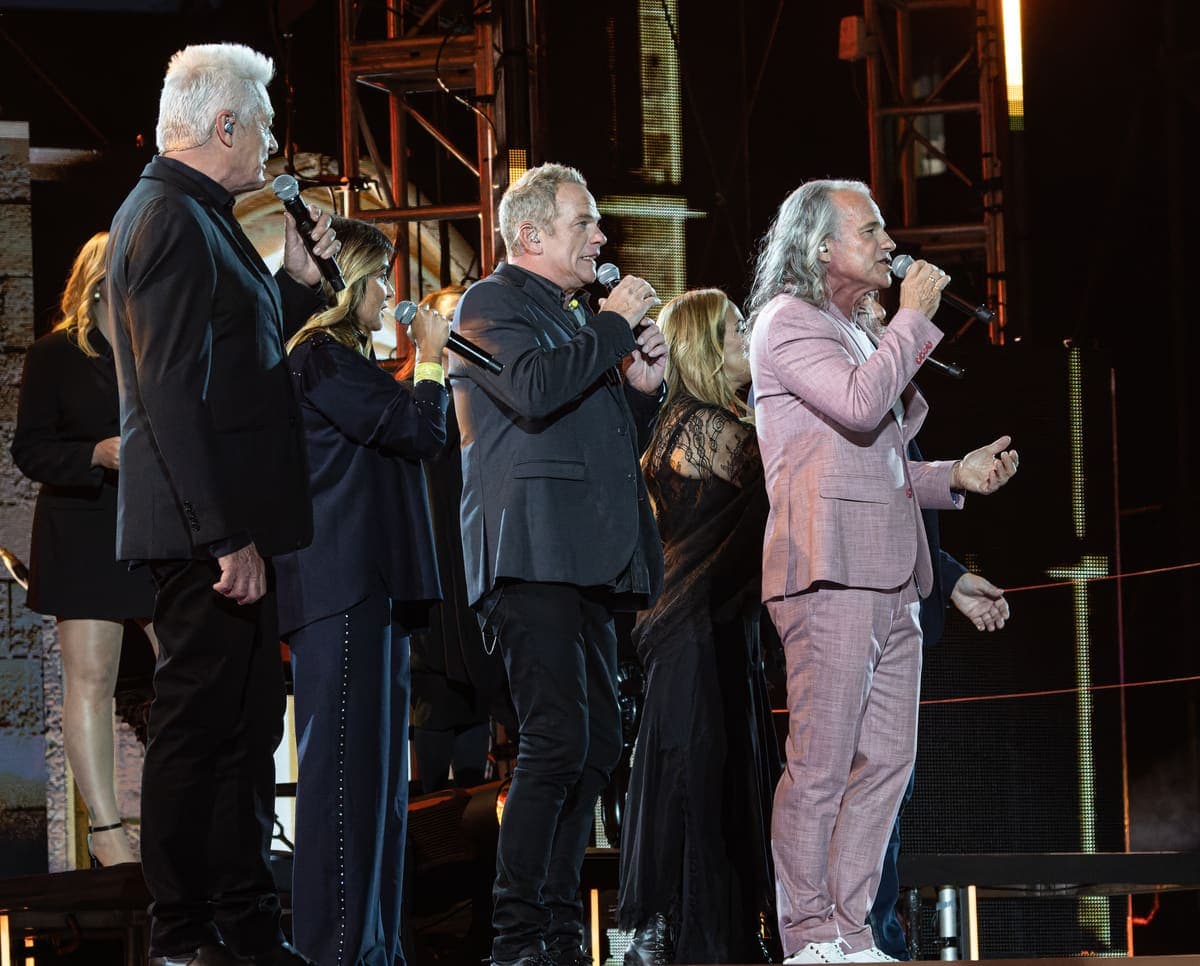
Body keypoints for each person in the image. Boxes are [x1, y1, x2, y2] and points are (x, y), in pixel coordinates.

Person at [106, 42, 340, 966]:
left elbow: (240, 358)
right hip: (204, 534)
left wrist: (299, 285)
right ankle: (182, 931)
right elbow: (170, 394)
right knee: (199, 730)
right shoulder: (168, 217)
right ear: (226, 124)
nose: (275, 142)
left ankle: (244, 921)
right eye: (266, 124)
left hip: (228, 527)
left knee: (243, 731)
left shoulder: (201, 215)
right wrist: (222, 537)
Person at [745, 179, 1018, 964]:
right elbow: (861, 406)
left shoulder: (856, 330)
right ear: (822, 246)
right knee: (821, 768)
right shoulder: (787, 322)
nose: (889, 243)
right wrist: (914, 316)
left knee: (887, 765)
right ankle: (807, 934)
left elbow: (879, 461)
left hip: (897, 575)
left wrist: (954, 475)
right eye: (870, 230)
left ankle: (853, 929)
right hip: (829, 571)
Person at [449, 162, 667, 966]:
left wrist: (641, 387)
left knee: (598, 742)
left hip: (584, 559)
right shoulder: (487, 305)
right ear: (531, 234)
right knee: (556, 740)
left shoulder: (572, 317)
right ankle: (518, 937)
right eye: (585, 222)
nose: (601, 237)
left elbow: (592, 431)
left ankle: (557, 927)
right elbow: (535, 390)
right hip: (530, 554)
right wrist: (611, 329)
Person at [273, 217, 450, 966]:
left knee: (379, 789)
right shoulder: (319, 358)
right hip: (339, 589)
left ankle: (374, 947)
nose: (389, 292)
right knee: (345, 785)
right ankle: (339, 951)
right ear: (346, 283)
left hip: (369, 591)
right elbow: (418, 429)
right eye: (378, 276)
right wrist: (432, 362)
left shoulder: (344, 363)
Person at [616, 288, 782, 965]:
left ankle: (703, 939)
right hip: (697, 635)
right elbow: (791, 475)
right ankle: (697, 943)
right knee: (701, 790)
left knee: (699, 784)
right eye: (736, 327)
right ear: (707, 347)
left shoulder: (683, 422)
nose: (748, 335)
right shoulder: (708, 429)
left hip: (698, 631)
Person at [853, 292, 1010, 960]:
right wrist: (957, 474)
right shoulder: (844, 390)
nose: (884, 318)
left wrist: (949, 580)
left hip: (901, 615)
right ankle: (859, 936)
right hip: (854, 619)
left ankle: (874, 934)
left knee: (889, 787)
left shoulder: (890, 399)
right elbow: (864, 490)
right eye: (871, 308)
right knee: (864, 788)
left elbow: (897, 499)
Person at [11, 231, 159, 868]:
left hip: (154, 528)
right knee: (92, 680)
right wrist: (94, 455)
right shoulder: (54, 355)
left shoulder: (158, 346)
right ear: (102, 282)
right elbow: (30, 449)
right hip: (84, 526)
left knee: (186, 669)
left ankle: (183, 808)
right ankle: (107, 829)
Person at [407, 284, 500, 795]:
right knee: (436, 701)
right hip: (431, 572)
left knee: (475, 700)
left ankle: (472, 829)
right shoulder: (416, 397)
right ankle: (430, 828)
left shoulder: (486, 395)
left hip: (474, 569)